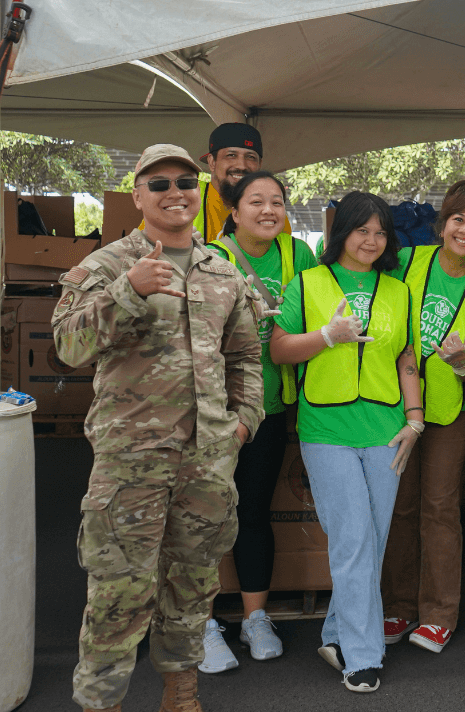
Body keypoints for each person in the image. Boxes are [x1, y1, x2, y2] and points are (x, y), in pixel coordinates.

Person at [53, 144, 263, 712]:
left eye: (186, 182)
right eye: (160, 183)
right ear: (139, 196)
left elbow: (245, 358)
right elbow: (68, 346)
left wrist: (241, 423)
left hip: (208, 462)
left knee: (193, 586)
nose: (176, 192)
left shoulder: (223, 272)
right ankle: (102, 702)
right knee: (119, 590)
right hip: (131, 462)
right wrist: (129, 292)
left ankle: (182, 693)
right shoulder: (107, 265)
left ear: (201, 194)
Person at [270, 192, 423, 694]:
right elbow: (279, 349)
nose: (372, 241)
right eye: (363, 230)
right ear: (343, 233)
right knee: (355, 539)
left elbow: (405, 360)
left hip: (386, 432)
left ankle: (336, 634)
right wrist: (327, 336)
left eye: (381, 233)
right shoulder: (309, 282)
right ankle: (362, 656)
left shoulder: (398, 291)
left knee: (370, 543)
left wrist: (416, 420)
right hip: (327, 432)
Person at [197, 171, 319, 673]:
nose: (268, 210)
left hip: (270, 408)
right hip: (215, 412)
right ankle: (199, 623)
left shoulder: (301, 256)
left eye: (277, 201)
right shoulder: (208, 258)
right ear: (235, 210)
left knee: (253, 511)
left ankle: (254, 618)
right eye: (256, 201)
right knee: (203, 515)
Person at [381, 181, 465, 653]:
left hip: (450, 413)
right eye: (458, 219)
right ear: (443, 222)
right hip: (394, 405)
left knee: (439, 508)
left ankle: (437, 614)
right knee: (401, 506)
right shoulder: (409, 262)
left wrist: (459, 363)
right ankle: (398, 606)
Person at [195, 123, 292, 242]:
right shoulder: (188, 197)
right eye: (231, 155)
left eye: (250, 157)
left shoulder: (271, 213)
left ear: (259, 164)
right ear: (212, 162)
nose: (241, 165)